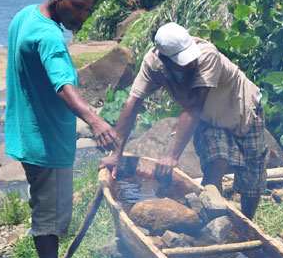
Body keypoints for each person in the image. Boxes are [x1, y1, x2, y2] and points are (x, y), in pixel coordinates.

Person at [5, 0, 120, 258]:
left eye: (87, 9)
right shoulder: (51, 39)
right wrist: (95, 121)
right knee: (50, 213)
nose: (82, 15)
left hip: (26, 131)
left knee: (48, 207)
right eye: (78, 7)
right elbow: (62, 85)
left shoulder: (25, 16)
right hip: (45, 141)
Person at [100, 22, 267, 218]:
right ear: (164, 59)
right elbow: (133, 103)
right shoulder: (153, 64)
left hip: (244, 112)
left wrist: (171, 155)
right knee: (215, 164)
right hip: (210, 119)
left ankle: (246, 223)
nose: (190, 63)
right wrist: (116, 152)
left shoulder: (207, 56)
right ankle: (212, 222)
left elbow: (194, 105)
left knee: (252, 184)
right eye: (182, 61)